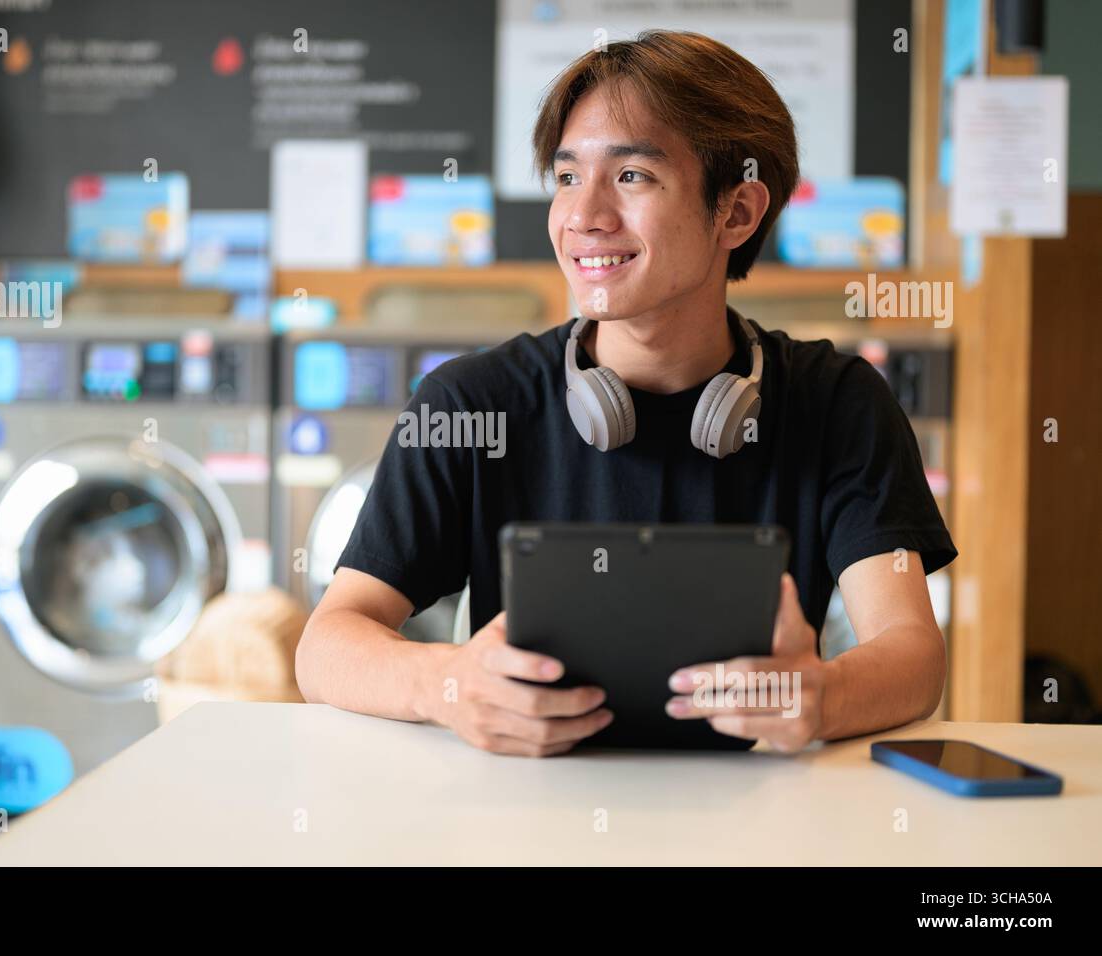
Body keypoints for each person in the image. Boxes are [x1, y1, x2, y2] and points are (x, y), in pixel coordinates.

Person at [295, 31, 956, 756]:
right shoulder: (470, 404)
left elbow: (912, 653)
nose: (583, 216)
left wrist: (820, 696)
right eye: (568, 177)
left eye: (633, 176)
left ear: (735, 213)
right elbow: (327, 643)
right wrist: (446, 683)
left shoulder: (841, 405)